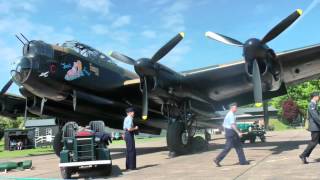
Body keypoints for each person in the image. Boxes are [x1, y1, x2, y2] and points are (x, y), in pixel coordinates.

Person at [213, 102, 248, 167]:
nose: (236, 108)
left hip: (230, 132)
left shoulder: (229, 114)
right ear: (232, 108)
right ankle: (217, 159)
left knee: (239, 147)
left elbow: (224, 124)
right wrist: (238, 132)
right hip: (231, 132)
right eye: (235, 107)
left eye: (236, 107)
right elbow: (232, 125)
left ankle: (242, 161)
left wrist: (225, 132)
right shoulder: (231, 114)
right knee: (228, 147)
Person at [299, 92, 320, 164]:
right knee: (313, 142)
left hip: (317, 127)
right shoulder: (311, 105)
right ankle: (303, 155)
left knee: (315, 142)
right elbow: (315, 117)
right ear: (315, 97)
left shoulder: (314, 104)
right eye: (318, 96)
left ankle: (303, 155)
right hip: (315, 127)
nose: (319, 98)